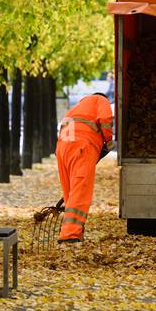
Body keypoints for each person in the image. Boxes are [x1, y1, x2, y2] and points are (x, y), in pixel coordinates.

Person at [56, 92, 115, 243]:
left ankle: (75, 230)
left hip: (62, 148)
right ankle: (70, 235)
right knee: (81, 190)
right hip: (82, 147)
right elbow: (106, 118)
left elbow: (63, 126)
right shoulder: (100, 99)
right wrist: (108, 141)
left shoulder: (77, 107)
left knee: (70, 192)